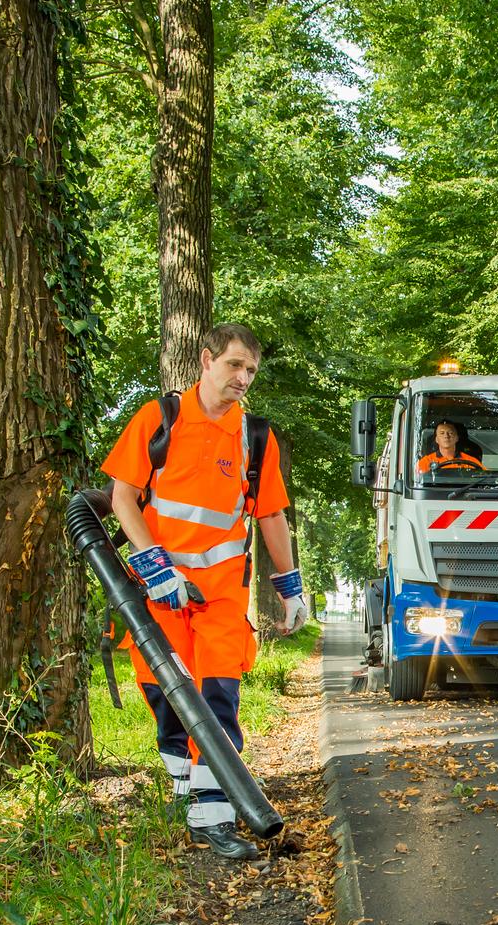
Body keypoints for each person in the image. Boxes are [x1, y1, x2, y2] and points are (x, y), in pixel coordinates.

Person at [102, 323, 309, 861]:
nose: (243, 377)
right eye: (235, 365)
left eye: (251, 371)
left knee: (217, 700)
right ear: (206, 359)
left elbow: (271, 515)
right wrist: (155, 566)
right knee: (167, 696)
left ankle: (213, 817)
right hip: (159, 590)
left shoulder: (254, 437)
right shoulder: (159, 419)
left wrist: (291, 588)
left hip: (220, 595)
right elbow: (123, 498)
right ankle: (180, 794)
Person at [417, 419, 482, 472]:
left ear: (457, 438)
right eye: (442, 433)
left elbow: (484, 478)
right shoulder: (426, 462)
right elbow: (417, 481)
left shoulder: (470, 461)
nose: (446, 436)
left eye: (450, 433)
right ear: (436, 439)